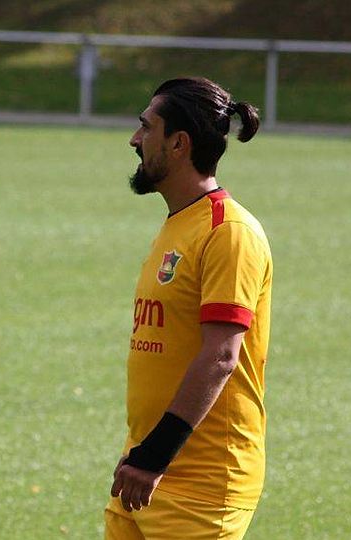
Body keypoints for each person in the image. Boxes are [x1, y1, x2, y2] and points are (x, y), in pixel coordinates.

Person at [105, 77, 273, 540]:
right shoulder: (180, 224)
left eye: (146, 128)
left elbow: (221, 356)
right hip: (142, 472)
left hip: (202, 488)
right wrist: (140, 453)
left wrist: (155, 455)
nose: (135, 140)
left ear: (179, 144)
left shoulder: (228, 232)